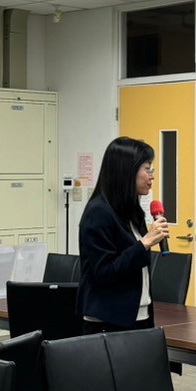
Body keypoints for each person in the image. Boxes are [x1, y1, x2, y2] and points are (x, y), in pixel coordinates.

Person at [78, 136, 169, 333]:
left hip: (139, 314)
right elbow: (104, 272)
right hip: (108, 320)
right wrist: (144, 243)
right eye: (147, 169)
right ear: (127, 171)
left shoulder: (132, 211)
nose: (151, 177)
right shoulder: (98, 212)